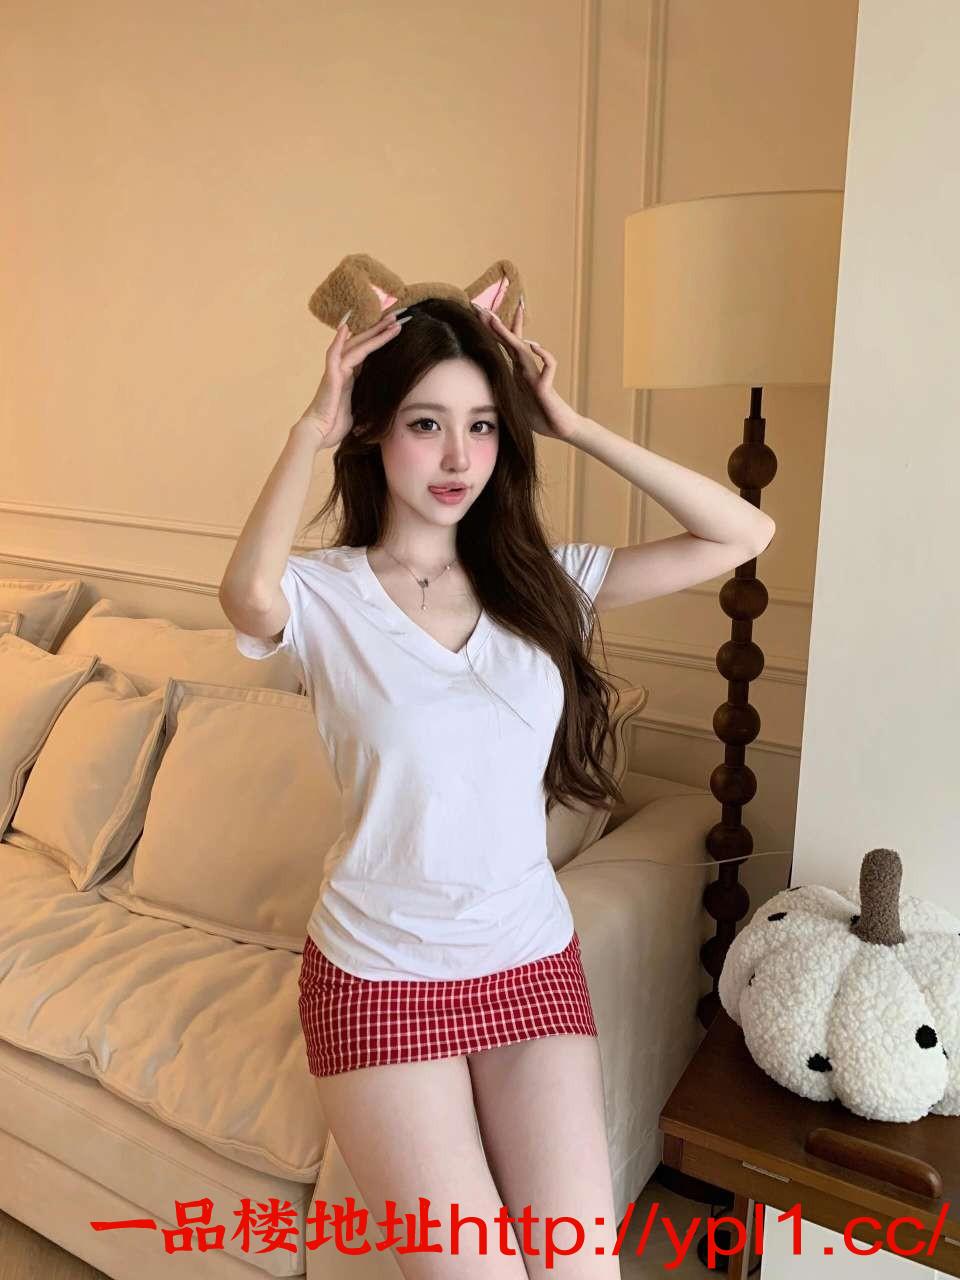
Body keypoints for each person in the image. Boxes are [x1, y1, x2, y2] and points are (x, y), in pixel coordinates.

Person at [219, 296, 628, 1280]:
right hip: (379, 973)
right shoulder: (322, 593)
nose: (458, 456)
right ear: (374, 429)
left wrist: (572, 424)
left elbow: (741, 531)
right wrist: (309, 429)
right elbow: (246, 596)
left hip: (528, 962)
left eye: (481, 426)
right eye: (426, 423)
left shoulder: (544, 581)